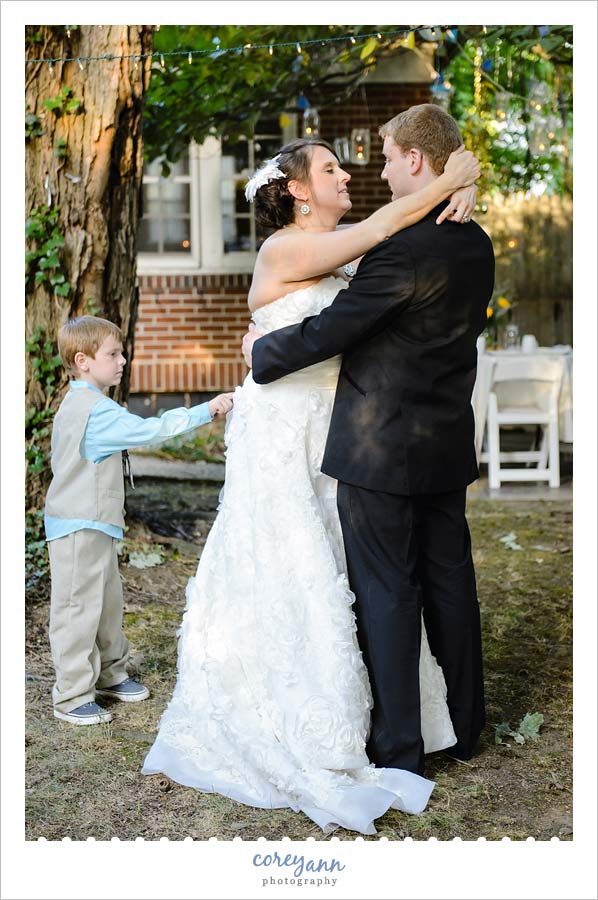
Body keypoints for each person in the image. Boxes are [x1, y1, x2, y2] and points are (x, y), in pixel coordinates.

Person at [142, 132, 480, 835]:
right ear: (297, 188)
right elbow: (395, 220)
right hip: (286, 429)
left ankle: (366, 716)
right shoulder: (285, 249)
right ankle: (297, 716)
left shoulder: (349, 242)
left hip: (343, 429)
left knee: (349, 577)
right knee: (295, 572)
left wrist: (465, 185)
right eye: (329, 168)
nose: (346, 174)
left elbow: (398, 237)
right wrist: (456, 174)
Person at [244, 105, 495, 779]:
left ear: (416, 160)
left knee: (387, 593)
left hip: (378, 448)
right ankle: (467, 726)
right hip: (444, 443)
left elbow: (334, 330)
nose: (375, 170)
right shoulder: (476, 240)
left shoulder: (401, 247)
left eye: (385, 158)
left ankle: (401, 752)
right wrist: (463, 182)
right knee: (450, 584)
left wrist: (262, 355)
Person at [44, 315, 233, 726]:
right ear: (83, 361)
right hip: (77, 524)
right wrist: (207, 410)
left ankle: (111, 672)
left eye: (122, 352)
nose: (123, 360)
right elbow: (153, 429)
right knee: (77, 608)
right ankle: (72, 693)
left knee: (107, 604)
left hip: (95, 522)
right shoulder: (94, 411)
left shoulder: (91, 404)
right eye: (113, 354)